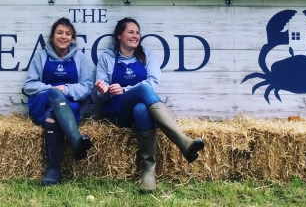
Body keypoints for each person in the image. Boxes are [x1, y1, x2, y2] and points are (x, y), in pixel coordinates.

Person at [95, 17, 204, 193]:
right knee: (143, 90)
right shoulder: (107, 58)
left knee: (142, 109)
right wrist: (105, 89)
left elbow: (153, 83)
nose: (135, 36)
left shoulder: (146, 55)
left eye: (137, 32)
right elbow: (101, 95)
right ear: (119, 36)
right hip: (117, 113)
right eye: (130, 32)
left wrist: (124, 88)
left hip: (139, 113)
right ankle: (182, 142)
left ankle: (148, 172)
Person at [23, 17, 93, 186]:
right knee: (55, 94)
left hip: (70, 105)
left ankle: (53, 170)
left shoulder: (80, 58)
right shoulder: (41, 56)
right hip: (42, 101)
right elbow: (29, 85)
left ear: (73, 38)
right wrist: (51, 89)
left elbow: (87, 86)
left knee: (52, 119)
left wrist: (67, 90)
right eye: (60, 32)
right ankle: (75, 140)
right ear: (52, 36)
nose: (64, 36)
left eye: (68, 33)